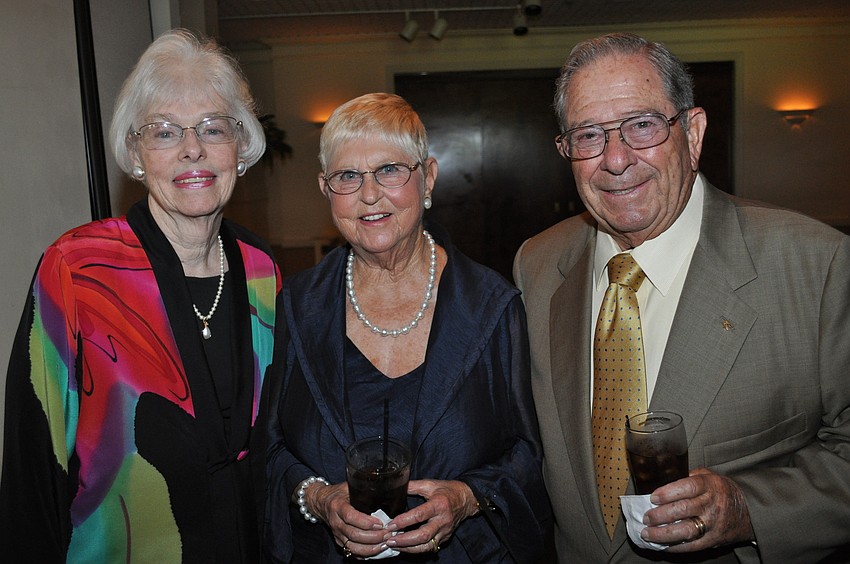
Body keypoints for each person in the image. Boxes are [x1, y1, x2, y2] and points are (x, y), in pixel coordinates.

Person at [513, 32, 850, 563]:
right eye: (588, 135)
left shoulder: (816, 264)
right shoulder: (537, 263)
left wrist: (749, 508)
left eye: (642, 126)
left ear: (692, 134)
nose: (615, 159)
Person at [0, 29, 281, 562]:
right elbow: (33, 465)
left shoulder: (262, 270)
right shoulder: (77, 270)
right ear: (135, 152)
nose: (193, 149)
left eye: (213, 128)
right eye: (165, 132)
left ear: (241, 147)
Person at [261, 92, 551, 562]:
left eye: (390, 170)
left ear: (428, 177)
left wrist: (467, 497)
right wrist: (317, 498)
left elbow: (528, 453)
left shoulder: (492, 307)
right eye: (347, 176)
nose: (369, 194)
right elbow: (271, 450)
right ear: (325, 189)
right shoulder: (299, 305)